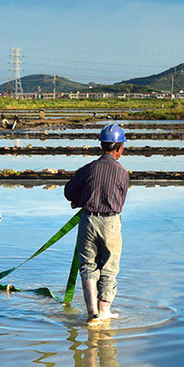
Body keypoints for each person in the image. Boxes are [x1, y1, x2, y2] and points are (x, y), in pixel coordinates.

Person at [64, 123, 130, 326]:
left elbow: (69, 192)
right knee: (109, 267)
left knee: (88, 265)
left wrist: (81, 200)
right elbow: (120, 199)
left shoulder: (88, 169)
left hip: (88, 220)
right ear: (120, 148)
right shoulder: (123, 173)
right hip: (110, 222)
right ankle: (104, 310)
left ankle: (92, 313)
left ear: (102, 145)